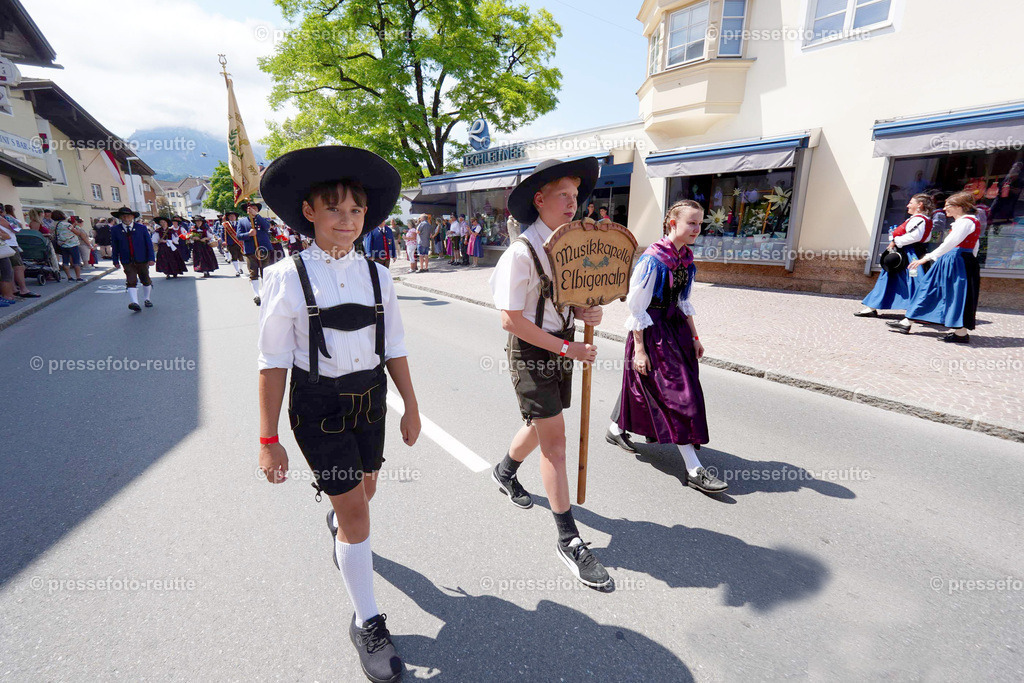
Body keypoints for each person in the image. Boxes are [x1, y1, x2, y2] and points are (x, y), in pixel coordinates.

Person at [256, 145, 420, 683]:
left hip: (370, 400)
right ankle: (367, 621)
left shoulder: (379, 276)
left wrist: (411, 407)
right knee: (356, 513)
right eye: (335, 209)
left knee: (364, 494)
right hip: (318, 405)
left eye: (356, 210)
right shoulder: (286, 276)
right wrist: (268, 436)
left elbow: (393, 346)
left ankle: (342, 520)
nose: (347, 221)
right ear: (309, 212)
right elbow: (273, 361)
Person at [488, 156, 611, 589]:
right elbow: (510, 319)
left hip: (562, 345)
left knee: (543, 425)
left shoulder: (568, 245)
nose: (572, 203)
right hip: (532, 351)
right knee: (555, 444)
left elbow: (569, 299)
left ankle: (503, 471)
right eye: (563, 195)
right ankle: (568, 538)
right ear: (539, 200)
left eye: (576, 196)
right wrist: (567, 347)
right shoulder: (520, 254)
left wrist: (585, 309)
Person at [606, 200, 727, 495]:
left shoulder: (685, 257)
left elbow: (684, 302)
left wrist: (695, 337)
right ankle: (694, 469)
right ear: (672, 224)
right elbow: (636, 309)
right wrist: (639, 350)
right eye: (692, 223)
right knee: (681, 397)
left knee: (644, 386)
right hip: (652, 332)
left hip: (676, 331)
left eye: (700, 224)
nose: (697, 229)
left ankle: (615, 429)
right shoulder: (653, 260)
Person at [889, 192, 983, 343]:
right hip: (955, 260)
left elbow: (950, 243)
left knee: (945, 292)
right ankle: (908, 322)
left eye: (948, 206)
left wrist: (926, 258)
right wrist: (971, 258)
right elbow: (974, 246)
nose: (945, 209)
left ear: (959, 207)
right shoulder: (969, 221)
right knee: (936, 290)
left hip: (955, 260)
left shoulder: (966, 222)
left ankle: (960, 332)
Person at [855, 194, 934, 318]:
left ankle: (923, 311)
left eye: (911, 203)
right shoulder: (920, 219)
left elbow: (915, 237)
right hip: (907, 253)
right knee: (899, 279)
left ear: (920, 205)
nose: (908, 205)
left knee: (914, 281)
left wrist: (895, 242)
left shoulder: (919, 219)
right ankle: (872, 306)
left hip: (909, 254)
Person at [110, 206, 156, 312]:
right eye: (123, 216)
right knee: (131, 280)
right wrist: (115, 260)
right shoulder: (115, 230)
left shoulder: (141, 228)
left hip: (142, 258)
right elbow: (115, 246)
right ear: (120, 217)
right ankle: (135, 302)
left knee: (145, 279)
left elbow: (149, 244)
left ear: (132, 217)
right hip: (127, 260)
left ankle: (147, 299)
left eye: (128, 216)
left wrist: (151, 258)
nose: (126, 218)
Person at [236, 201, 274, 305]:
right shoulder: (242, 221)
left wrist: (256, 215)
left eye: (254, 208)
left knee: (265, 271)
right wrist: (248, 234)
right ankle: (256, 294)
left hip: (264, 249)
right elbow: (238, 236)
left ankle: (266, 293)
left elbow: (267, 227)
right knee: (253, 272)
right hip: (250, 250)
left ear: (257, 210)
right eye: (250, 208)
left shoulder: (263, 219)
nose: (252, 210)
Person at [1, 210, 40, 298]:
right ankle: (22, 289)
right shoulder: (2, 219)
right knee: (18, 267)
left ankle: (13, 290)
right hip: (9, 244)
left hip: (7, 244)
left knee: (9, 269)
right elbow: (16, 229)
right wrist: (13, 222)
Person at [53, 210, 88, 282]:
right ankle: (78, 277)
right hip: (72, 244)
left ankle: (69, 277)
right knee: (76, 261)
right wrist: (75, 225)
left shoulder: (54, 225)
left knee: (65, 261)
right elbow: (77, 233)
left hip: (62, 245)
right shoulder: (67, 224)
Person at [221, 210, 245, 277]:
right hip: (231, 243)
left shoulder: (239, 224)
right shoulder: (226, 225)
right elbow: (222, 234)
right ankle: (237, 271)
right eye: (230, 216)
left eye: (233, 216)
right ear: (228, 217)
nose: (232, 217)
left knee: (241, 257)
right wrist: (223, 241)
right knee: (234, 257)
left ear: (235, 217)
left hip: (240, 243)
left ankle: (240, 268)